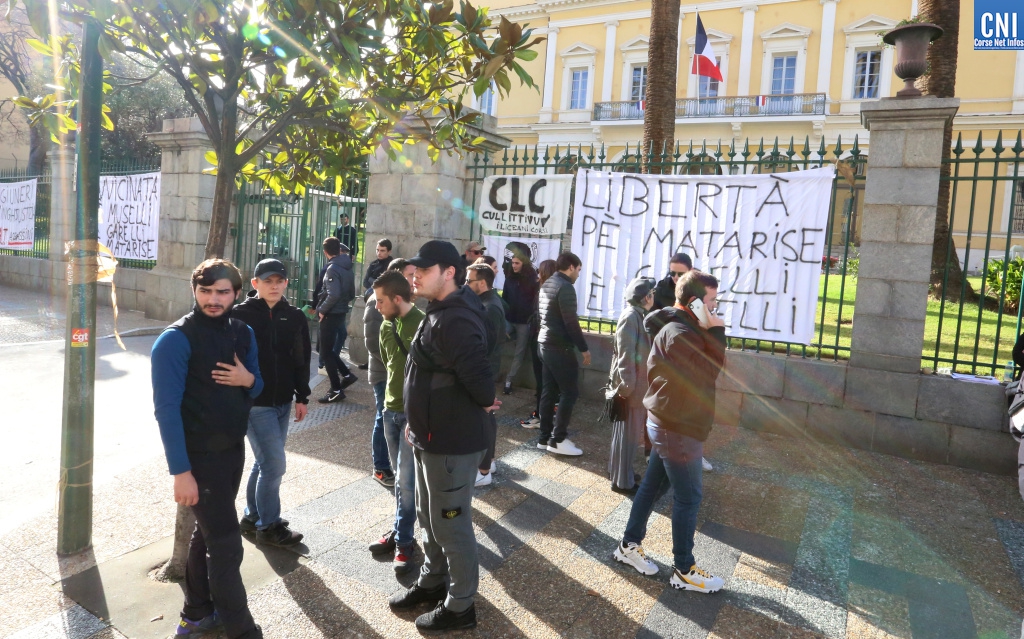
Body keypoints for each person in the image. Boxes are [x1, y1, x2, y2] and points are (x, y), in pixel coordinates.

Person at [388, 240, 499, 633]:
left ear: (449, 272)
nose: (414, 275)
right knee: (429, 518)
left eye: (424, 269)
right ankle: (434, 582)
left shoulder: (458, 318)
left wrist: (482, 404)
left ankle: (460, 605)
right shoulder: (442, 309)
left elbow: (483, 385)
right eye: (414, 269)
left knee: (452, 524)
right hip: (427, 436)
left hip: (450, 441)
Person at [151, 259, 264, 639]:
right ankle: (241, 630)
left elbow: (259, 385)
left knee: (208, 535)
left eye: (222, 292)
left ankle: (197, 613)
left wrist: (246, 378)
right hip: (198, 460)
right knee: (228, 547)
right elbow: (166, 412)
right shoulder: (174, 339)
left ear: (235, 293)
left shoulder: (243, 332)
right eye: (205, 291)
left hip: (232, 452)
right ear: (194, 290)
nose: (213, 299)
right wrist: (180, 471)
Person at [612, 270, 726, 595]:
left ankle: (628, 546)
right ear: (695, 303)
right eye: (712, 303)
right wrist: (718, 334)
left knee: (651, 487)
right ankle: (684, 569)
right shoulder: (680, 334)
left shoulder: (682, 327)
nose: (716, 309)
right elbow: (707, 373)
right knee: (689, 497)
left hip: (667, 423)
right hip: (677, 427)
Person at [231, 259, 309, 547]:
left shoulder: (295, 316)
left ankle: (252, 518)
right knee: (274, 466)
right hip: (255, 401)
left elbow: (301, 358)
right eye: (268, 281)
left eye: (279, 281)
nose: (274, 286)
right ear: (255, 284)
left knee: (263, 464)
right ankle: (269, 526)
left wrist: (302, 396)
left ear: (286, 283)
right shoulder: (240, 315)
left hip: (283, 400)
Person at [370, 262, 424, 575]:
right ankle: (399, 528)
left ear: (397, 299)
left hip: (412, 414)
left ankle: (404, 541)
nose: (376, 307)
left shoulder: (422, 323)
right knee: (399, 480)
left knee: (406, 479)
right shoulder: (386, 325)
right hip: (389, 411)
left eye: (380, 301)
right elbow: (386, 361)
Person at [537, 251, 590, 456]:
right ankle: (558, 439)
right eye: (578, 270)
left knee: (548, 391)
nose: (578, 274)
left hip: (544, 344)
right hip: (558, 347)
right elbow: (571, 322)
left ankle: (544, 438)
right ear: (571, 267)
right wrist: (584, 348)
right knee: (570, 392)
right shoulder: (566, 287)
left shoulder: (548, 282)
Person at [607, 277, 655, 494]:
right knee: (627, 437)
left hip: (634, 387)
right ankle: (622, 482)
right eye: (651, 293)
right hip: (631, 388)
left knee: (626, 436)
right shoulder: (631, 317)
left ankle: (620, 473)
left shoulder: (637, 315)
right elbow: (626, 355)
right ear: (646, 297)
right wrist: (627, 388)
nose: (653, 296)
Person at [466, 263, 505, 487]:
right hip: (486, 368)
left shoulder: (489, 307)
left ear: (482, 283)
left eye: (469, 281)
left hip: (485, 370)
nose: (466, 284)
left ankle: (484, 469)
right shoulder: (486, 302)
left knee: (484, 417)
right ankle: (487, 462)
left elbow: (486, 346)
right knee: (485, 416)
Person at [363, 265, 396, 489]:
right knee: (382, 417)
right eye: (411, 274)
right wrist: (395, 364)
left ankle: (391, 463)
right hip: (383, 371)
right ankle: (380, 467)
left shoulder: (405, 302)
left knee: (392, 418)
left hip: (396, 371)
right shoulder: (376, 302)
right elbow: (373, 343)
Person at [316, 237, 358, 403]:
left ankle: (336, 389)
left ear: (326, 252)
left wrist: (322, 310)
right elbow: (351, 293)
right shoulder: (347, 266)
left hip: (331, 313)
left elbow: (334, 293)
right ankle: (347, 375)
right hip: (339, 311)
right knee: (326, 349)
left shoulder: (333, 268)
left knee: (325, 351)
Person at [520, 259, 556, 429]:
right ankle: (545, 413)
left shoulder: (544, 291)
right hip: (548, 341)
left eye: (540, 271)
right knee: (546, 381)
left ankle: (541, 416)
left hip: (540, 340)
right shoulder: (555, 290)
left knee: (543, 380)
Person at [502, 243, 539, 396]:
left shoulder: (532, 278)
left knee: (520, 352)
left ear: (524, 263)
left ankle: (508, 381)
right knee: (494, 337)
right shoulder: (509, 277)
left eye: (517, 263)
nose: (514, 265)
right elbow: (505, 298)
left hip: (524, 321)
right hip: (509, 319)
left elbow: (535, 300)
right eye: (512, 262)